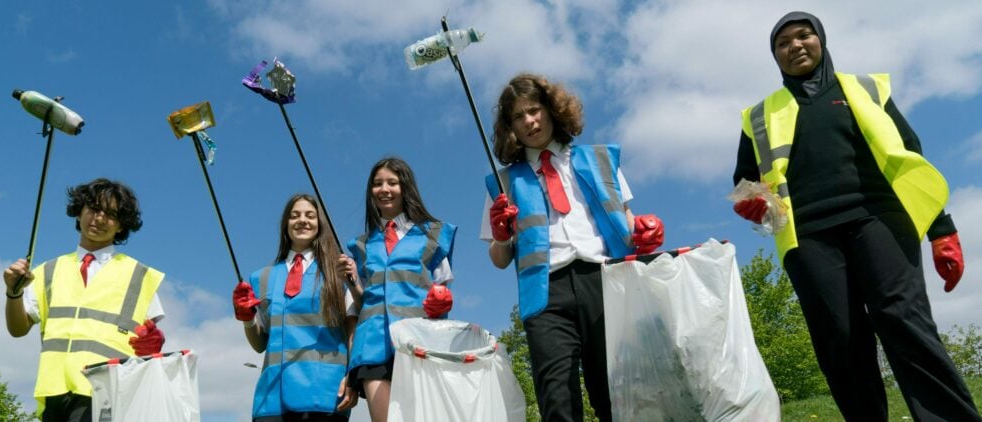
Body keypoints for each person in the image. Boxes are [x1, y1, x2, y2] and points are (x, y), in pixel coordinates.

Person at [732, 11, 980, 420]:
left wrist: (941, 230)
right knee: (840, 338)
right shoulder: (758, 116)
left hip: (880, 219)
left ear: (821, 40)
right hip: (806, 236)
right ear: (774, 57)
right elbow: (743, 181)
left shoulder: (866, 89)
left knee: (903, 321)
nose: (795, 46)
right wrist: (750, 202)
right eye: (782, 43)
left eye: (803, 35)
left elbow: (910, 156)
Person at [481, 73, 665, 422]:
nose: (529, 121)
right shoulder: (502, 182)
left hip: (605, 279)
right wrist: (502, 234)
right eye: (518, 117)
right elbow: (499, 259)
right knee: (557, 397)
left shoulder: (600, 160)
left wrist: (646, 232)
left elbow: (629, 222)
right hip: (546, 293)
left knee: (616, 390)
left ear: (551, 109)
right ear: (510, 128)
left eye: (534, 110)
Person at [3, 178, 167, 421]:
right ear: (79, 212)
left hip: (108, 390)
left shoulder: (139, 275)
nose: (99, 219)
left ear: (122, 226)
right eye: (94, 209)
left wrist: (155, 342)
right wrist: (13, 293)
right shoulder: (47, 270)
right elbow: (18, 329)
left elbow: (151, 339)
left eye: (111, 214)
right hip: (54, 391)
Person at [347, 157, 456, 422]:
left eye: (392, 182)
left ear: (405, 187)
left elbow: (443, 289)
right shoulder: (359, 246)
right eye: (377, 184)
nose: (384, 189)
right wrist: (352, 283)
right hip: (372, 349)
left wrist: (441, 305)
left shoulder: (434, 234)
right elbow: (355, 307)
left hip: (419, 343)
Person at [232, 194, 360, 421]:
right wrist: (246, 317)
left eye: (310, 215)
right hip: (271, 398)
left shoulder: (339, 272)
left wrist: (352, 375)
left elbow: (352, 331)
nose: (302, 220)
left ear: (320, 224)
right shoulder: (260, 278)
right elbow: (260, 344)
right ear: (285, 225)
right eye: (295, 216)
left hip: (325, 393)